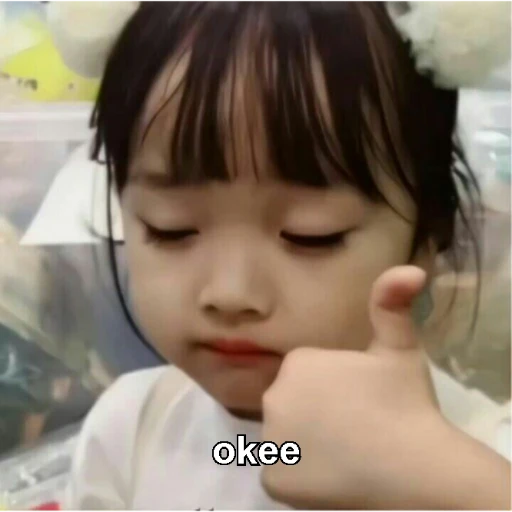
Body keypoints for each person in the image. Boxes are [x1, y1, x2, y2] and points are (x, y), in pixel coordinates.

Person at [66, 0, 511, 509]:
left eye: (311, 236)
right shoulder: (129, 434)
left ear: (429, 235)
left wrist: (454, 484)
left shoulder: (487, 455)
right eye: (171, 229)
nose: (231, 294)